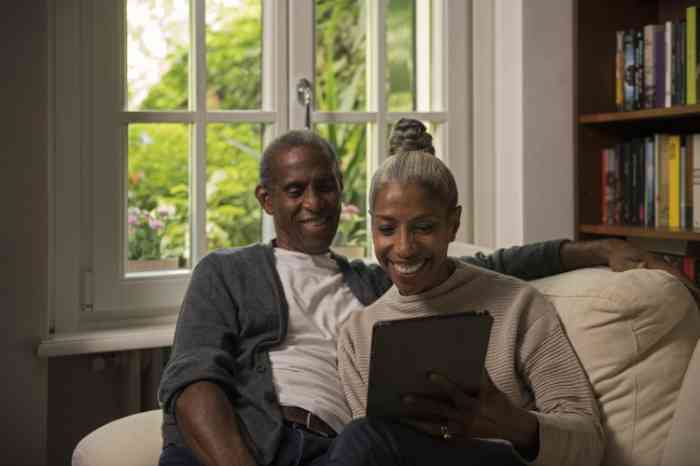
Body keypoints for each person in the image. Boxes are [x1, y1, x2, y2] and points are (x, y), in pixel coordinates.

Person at [157, 125, 672, 466]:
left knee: (360, 442)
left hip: (359, 451)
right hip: (265, 441)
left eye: (326, 186)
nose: (314, 203)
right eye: (295, 190)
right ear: (266, 200)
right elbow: (194, 379)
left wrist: (586, 251)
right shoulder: (232, 272)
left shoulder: (376, 283)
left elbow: (484, 270)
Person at [337, 119, 603, 466]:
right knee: (363, 437)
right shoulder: (358, 333)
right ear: (372, 226)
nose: (403, 248)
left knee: (362, 437)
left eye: (424, 228)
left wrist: (515, 424)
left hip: (499, 460)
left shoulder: (518, 305)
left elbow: (591, 444)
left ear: (454, 224)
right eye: (387, 228)